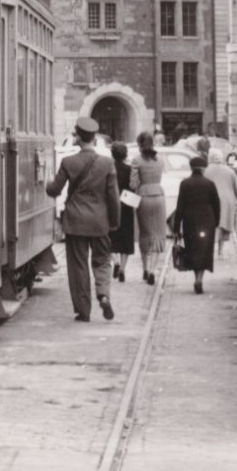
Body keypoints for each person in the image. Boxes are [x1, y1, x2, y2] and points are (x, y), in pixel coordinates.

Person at [45, 116, 121, 322]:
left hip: (76, 221)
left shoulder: (68, 162)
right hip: (100, 221)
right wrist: (114, 222)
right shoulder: (107, 163)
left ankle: (83, 310)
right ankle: (103, 294)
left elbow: (54, 190)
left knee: (78, 266)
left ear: (78, 137)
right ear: (94, 138)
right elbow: (113, 197)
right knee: (102, 261)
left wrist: (46, 181)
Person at [169, 155, 221, 295]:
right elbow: (216, 204)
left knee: (193, 248)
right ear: (204, 169)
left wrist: (176, 227)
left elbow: (180, 206)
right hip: (207, 221)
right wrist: (216, 222)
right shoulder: (210, 184)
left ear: (191, 168)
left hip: (189, 221)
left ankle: (196, 277)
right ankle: (200, 278)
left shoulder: (185, 184)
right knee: (204, 249)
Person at [130, 132, 168, 286]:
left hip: (143, 197)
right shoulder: (160, 160)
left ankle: (145, 269)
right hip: (158, 196)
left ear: (139, 144)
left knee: (145, 233)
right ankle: (153, 270)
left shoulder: (136, 160)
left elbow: (133, 184)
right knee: (158, 234)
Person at [204, 147, 237, 264]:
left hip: (211, 201)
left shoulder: (206, 171)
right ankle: (220, 250)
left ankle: (212, 251)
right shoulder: (229, 171)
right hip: (228, 201)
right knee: (223, 226)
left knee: (214, 226)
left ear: (210, 158)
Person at [108, 142, 135, 283]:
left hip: (112, 206)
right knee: (126, 238)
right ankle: (123, 269)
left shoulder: (109, 168)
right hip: (126, 205)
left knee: (111, 237)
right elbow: (133, 187)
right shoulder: (129, 169)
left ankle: (115, 262)